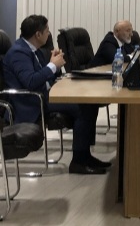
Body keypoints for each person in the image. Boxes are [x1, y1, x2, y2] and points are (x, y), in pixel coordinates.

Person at [2, 15, 109, 175]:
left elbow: (44, 78)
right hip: (30, 102)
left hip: (44, 95)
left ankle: (85, 156)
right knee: (83, 107)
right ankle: (79, 161)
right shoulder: (19, 52)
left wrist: (55, 66)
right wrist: (52, 65)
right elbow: (31, 81)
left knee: (89, 102)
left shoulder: (33, 50)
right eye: (47, 30)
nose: (49, 33)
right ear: (38, 34)